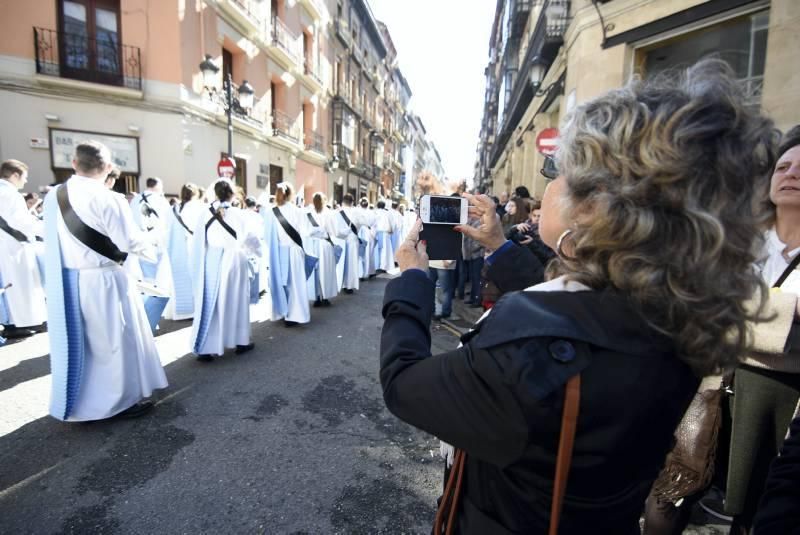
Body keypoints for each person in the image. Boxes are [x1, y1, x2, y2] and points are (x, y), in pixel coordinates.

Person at [379, 60, 776, 533]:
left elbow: (405, 384)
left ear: (594, 205)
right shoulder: (671, 311)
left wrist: (412, 281)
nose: (549, 183)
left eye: (558, 169)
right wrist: (500, 246)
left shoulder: (532, 348)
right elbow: (579, 319)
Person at [43, 140, 167, 420]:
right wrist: (154, 239)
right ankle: (117, 403)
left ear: (74, 163)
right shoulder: (108, 198)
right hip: (105, 280)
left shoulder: (54, 196)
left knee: (82, 344)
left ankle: (81, 402)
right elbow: (127, 242)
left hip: (68, 282)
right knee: (113, 342)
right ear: (108, 168)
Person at [725, 125, 800, 533]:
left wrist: (739, 312)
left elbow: (723, 311)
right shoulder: (741, 242)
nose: (791, 174)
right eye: (784, 166)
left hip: (787, 405)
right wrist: (792, 314)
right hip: (721, 397)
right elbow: (708, 311)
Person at [190, 180, 259, 360]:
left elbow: (197, 241)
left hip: (212, 260)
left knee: (212, 304)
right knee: (237, 300)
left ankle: (207, 348)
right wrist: (256, 253)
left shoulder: (204, 213)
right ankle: (240, 341)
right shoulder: (238, 213)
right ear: (232, 193)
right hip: (235, 258)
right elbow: (251, 239)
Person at [0, 159, 46, 338]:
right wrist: (43, 228)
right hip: (13, 245)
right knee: (19, 286)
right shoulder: (9, 193)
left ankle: (17, 322)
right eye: (24, 177)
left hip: (8, 244)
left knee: (13, 286)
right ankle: (18, 324)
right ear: (15, 175)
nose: (25, 181)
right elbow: (19, 221)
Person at [264, 182, 312, 327]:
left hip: (278, 252)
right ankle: (294, 316)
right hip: (294, 251)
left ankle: (281, 312)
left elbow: (267, 236)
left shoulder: (271, 212)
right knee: (295, 285)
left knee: (281, 283)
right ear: (291, 194)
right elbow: (305, 232)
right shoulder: (297, 211)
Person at [165, 183, 203, 320]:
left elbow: (167, 230)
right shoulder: (197, 207)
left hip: (177, 249)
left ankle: (181, 312)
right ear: (195, 193)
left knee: (179, 280)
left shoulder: (173, 209)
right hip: (193, 247)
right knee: (195, 278)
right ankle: (194, 311)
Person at [130, 177, 173, 297]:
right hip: (157, 241)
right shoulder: (160, 200)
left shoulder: (135, 200)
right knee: (158, 275)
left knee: (144, 274)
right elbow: (168, 221)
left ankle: (146, 294)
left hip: (140, 241)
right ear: (158, 186)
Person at [306, 192, 339, 307]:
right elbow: (333, 231)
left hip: (313, 244)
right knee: (326, 271)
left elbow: (306, 231)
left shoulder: (308, 213)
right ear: (324, 201)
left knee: (315, 271)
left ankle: (316, 297)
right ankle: (325, 297)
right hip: (325, 245)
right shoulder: (328, 214)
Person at [334, 193, 365, 295]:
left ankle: (340, 283)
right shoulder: (356, 212)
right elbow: (361, 224)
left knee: (341, 263)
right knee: (351, 263)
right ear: (352, 202)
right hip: (352, 239)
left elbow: (335, 229)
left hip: (341, 240)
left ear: (343, 201)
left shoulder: (337, 212)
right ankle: (349, 285)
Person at [356, 197, 377, 279]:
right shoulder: (372, 213)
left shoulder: (357, 212)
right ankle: (369, 272)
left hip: (360, 233)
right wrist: (373, 234)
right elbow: (375, 225)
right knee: (369, 253)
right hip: (369, 234)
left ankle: (360, 273)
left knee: (360, 254)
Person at [373, 200, 395, 273]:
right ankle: (383, 266)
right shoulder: (388, 213)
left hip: (376, 233)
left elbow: (372, 223)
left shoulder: (374, 212)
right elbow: (392, 223)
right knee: (385, 251)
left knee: (376, 250)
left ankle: (376, 266)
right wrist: (392, 230)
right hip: (385, 234)